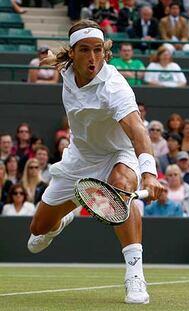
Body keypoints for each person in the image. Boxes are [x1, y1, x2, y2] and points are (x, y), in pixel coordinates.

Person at [26, 19, 163, 305]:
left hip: (118, 154)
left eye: (98, 50)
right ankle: (62, 219)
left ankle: (135, 275)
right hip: (79, 158)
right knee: (37, 232)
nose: (93, 58)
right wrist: (48, 56)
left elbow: (138, 129)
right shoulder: (66, 67)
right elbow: (55, 58)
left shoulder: (115, 87)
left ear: (105, 51)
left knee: (122, 186)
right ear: (73, 53)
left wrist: (149, 173)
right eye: (85, 50)